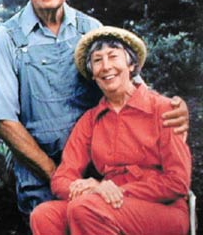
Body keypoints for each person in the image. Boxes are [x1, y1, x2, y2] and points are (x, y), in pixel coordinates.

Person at [0, 0, 189, 217]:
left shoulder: (90, 27)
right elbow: (3, 120)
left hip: (102, 169)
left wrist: (174, 110)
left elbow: (131, 87)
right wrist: (59, 176)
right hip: (43, 173)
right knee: (50, 221)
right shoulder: (7, 38)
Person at [30, 26, 191, 235]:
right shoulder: (90, 120)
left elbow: (177, 182)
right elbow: (61, 179)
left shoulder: (164, 109)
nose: (106, 66)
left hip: (163, 210)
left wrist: (118, 191)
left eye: (113, 57)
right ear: (92, 73)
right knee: (44, 215)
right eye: (97, 60)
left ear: (131, 64)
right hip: (106, 203)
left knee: (85, 208)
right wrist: (94, 188)